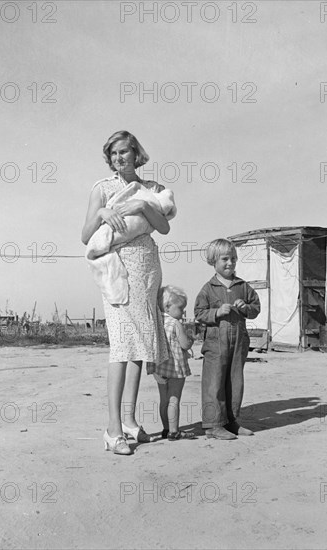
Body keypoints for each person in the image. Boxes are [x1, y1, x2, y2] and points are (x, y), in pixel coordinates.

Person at [81, 130, 173, 455]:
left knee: (140, 342)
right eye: (114, 154)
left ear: (136, 153)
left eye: (124, 152)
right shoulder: (102, 188)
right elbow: (85, 235)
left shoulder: (153, 190)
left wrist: (141, 205)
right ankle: (112, 429)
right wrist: (103, 213)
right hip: (117, 271)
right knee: (120, 344)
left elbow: (164, 227)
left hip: (147, 267)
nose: (120, 159)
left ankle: (131, 421)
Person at [194, 239, 260, 440]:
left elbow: (255, 308)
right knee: (214, 383)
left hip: (238, 342)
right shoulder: (208, 288)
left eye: (233, 258)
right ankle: (213, 426)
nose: (230, 263)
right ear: (213, 261)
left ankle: (231, 421)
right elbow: (198, 312)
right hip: (216, 344)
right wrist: (216, 312)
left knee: (234, 382)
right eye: (225, 259)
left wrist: (245, 308)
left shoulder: (243, 286)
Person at [148, 286, 197, 441]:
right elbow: (184, 345)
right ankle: (174, 431)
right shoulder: (175, 323)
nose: (183, 312)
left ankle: (166, 428)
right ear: (168, 307)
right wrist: (191, 338)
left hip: (158, 368)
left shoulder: (155, 322)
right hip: (175, 368)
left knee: (164, 400)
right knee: (174, 399)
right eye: (181, 308)